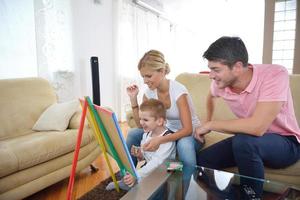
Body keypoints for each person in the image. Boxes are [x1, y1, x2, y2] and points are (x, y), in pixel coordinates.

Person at [194, 36, 300, 199]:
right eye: (210, 69)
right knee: (202, 161)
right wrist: (207, 120)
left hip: (286, 143)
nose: (211, 75)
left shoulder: (275, 74)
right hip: (247, 141)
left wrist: (211, 124)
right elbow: (211, 97)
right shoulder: (219, 83)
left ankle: (251, 197)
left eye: (216, 69)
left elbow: (257, 127)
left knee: (244, 141)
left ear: (237, 67)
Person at [126, 49, 204, 194]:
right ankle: (128, 179)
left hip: (190, 133)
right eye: (143, 76)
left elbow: (187, 129)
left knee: (184, 146)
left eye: (148, 76)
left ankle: (186, 192)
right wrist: (133, 99)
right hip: (168, 131)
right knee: (133, 134)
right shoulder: (149, 93)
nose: (145, 81)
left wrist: (160, 140)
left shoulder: (179, 91)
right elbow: (141, 126)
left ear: (162, 71)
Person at [106, 99, 176, 191]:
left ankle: (137, 185)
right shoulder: (146, 134)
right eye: (140, 119)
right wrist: (140, 154)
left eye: (145, 120)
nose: (141, 123)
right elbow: (147, 156)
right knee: (142, 178)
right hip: (154, 168)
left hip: (169, 169)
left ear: (159, 121)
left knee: (145, 187)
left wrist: (137, 174)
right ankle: (130, 182)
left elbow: (157, 162)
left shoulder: (167, 139)